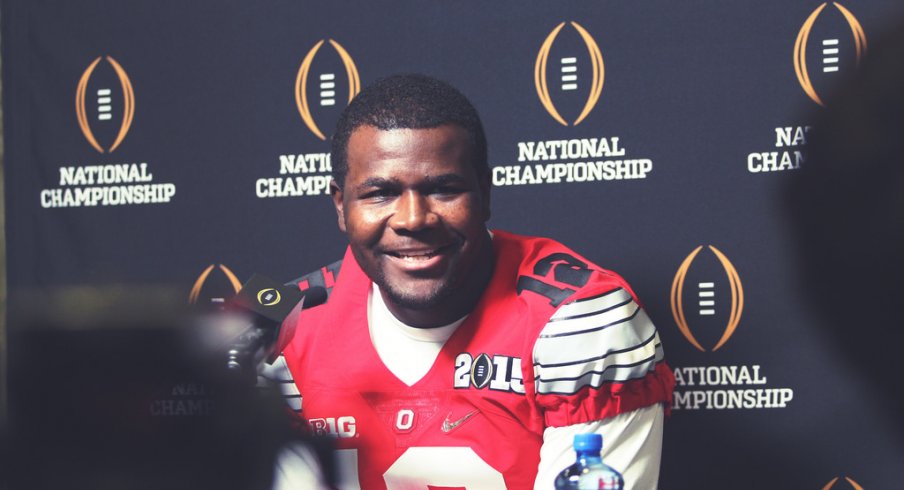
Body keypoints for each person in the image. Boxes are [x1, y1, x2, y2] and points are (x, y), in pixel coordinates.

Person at [267, 74, 675, 489]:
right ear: (341, 205)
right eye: (380, 193)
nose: (413, 219)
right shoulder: (282, 327)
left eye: (444, 189)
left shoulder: (579, 317)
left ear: (485, 193)